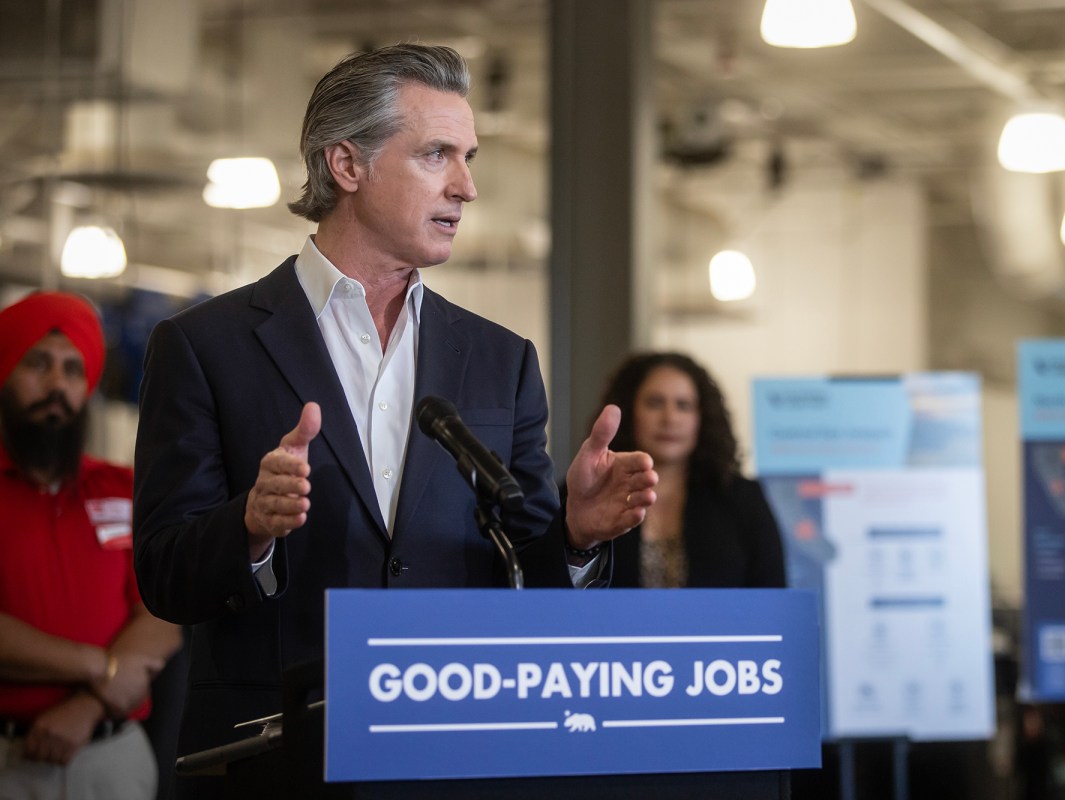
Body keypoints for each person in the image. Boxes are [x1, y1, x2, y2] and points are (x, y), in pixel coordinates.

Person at [131, 43, 657, 792]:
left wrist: (576, 532)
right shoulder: (202, 346)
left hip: (450, 759)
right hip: (271, 763)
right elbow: (163, 574)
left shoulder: (498, 358)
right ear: (347, 166)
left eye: (468, 156)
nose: (467, 187)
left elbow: (527, 583)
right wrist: (248, 525)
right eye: (437, 154)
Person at [0, 291, 181, 799]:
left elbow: (162, 608)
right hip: (11, 758)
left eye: (73, 370)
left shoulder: (122, 487)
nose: (57, 384)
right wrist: (101, 669)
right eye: (38, 364)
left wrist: (91, 703)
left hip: (113, 755)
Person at [591, 352, 785, 588]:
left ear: (702, 417)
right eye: (655, 403)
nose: (670, 418)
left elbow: (773, 596)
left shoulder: (743, 498)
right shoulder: (590, 494)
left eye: (683, 405)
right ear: (629, 411)